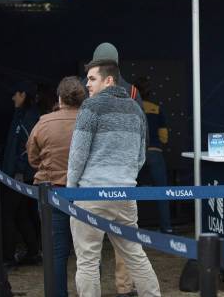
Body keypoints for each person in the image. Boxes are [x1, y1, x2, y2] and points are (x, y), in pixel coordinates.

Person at [67, 60, 160, 297]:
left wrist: (70, 189)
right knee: (135, 255)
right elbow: (141, 155)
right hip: (125, 194)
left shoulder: (90, 107)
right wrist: (126, 177)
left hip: (91, 194)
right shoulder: (136, 109)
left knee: (87, 260)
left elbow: (78, 154)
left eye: (92, 78)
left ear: (109, 80)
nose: (86, 83)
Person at [28, 76, 87, 297]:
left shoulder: (44, 122)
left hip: (52, 192)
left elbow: (33, 158)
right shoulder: (90, 121)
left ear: (60, 98)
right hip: (85, 193)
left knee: (56, 253)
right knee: (89, 253)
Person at [89, 42, 140, 297]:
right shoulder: (131, 91)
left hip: (93, 178)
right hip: (123, 177)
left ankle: (92, 288)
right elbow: (143, 134)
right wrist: (134, 169)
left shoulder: (88, 87)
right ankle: (125, 288)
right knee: (125, 240)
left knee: (90, 240)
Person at [1, 80, 41, 266]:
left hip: (18, 177)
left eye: (15, 94)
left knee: (8, 214)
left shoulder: (29, 117)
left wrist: (18, 171)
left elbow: (28, 149)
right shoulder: (20, 115)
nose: (12, 98)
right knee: (21, 214)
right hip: (14, 175)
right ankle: (33, 251)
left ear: (23, 94)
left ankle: (8, 257)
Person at [133, 77, 173, 233]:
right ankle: (167, 228)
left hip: (136, 155)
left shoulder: (131, 108)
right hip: (155, 153)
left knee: (130, 192)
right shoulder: (156, 108)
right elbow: (164, 136)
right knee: (162, 192)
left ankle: (132, 227)